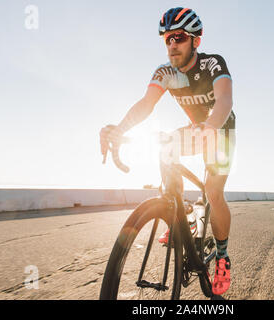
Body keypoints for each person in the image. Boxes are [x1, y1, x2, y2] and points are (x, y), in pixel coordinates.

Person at [100, 7, 236, 296]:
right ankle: (179, 214)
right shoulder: (165, 73)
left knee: (213, 191)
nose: (172, 44)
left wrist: (210, 127)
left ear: (195, 41)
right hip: (197, 128)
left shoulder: (213, 64)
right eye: (167, 39)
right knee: (164, 148)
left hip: (221, 131)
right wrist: (121, 129)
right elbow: (146, 104)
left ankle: (222, 257)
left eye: (179, 37)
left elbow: (224, 100)